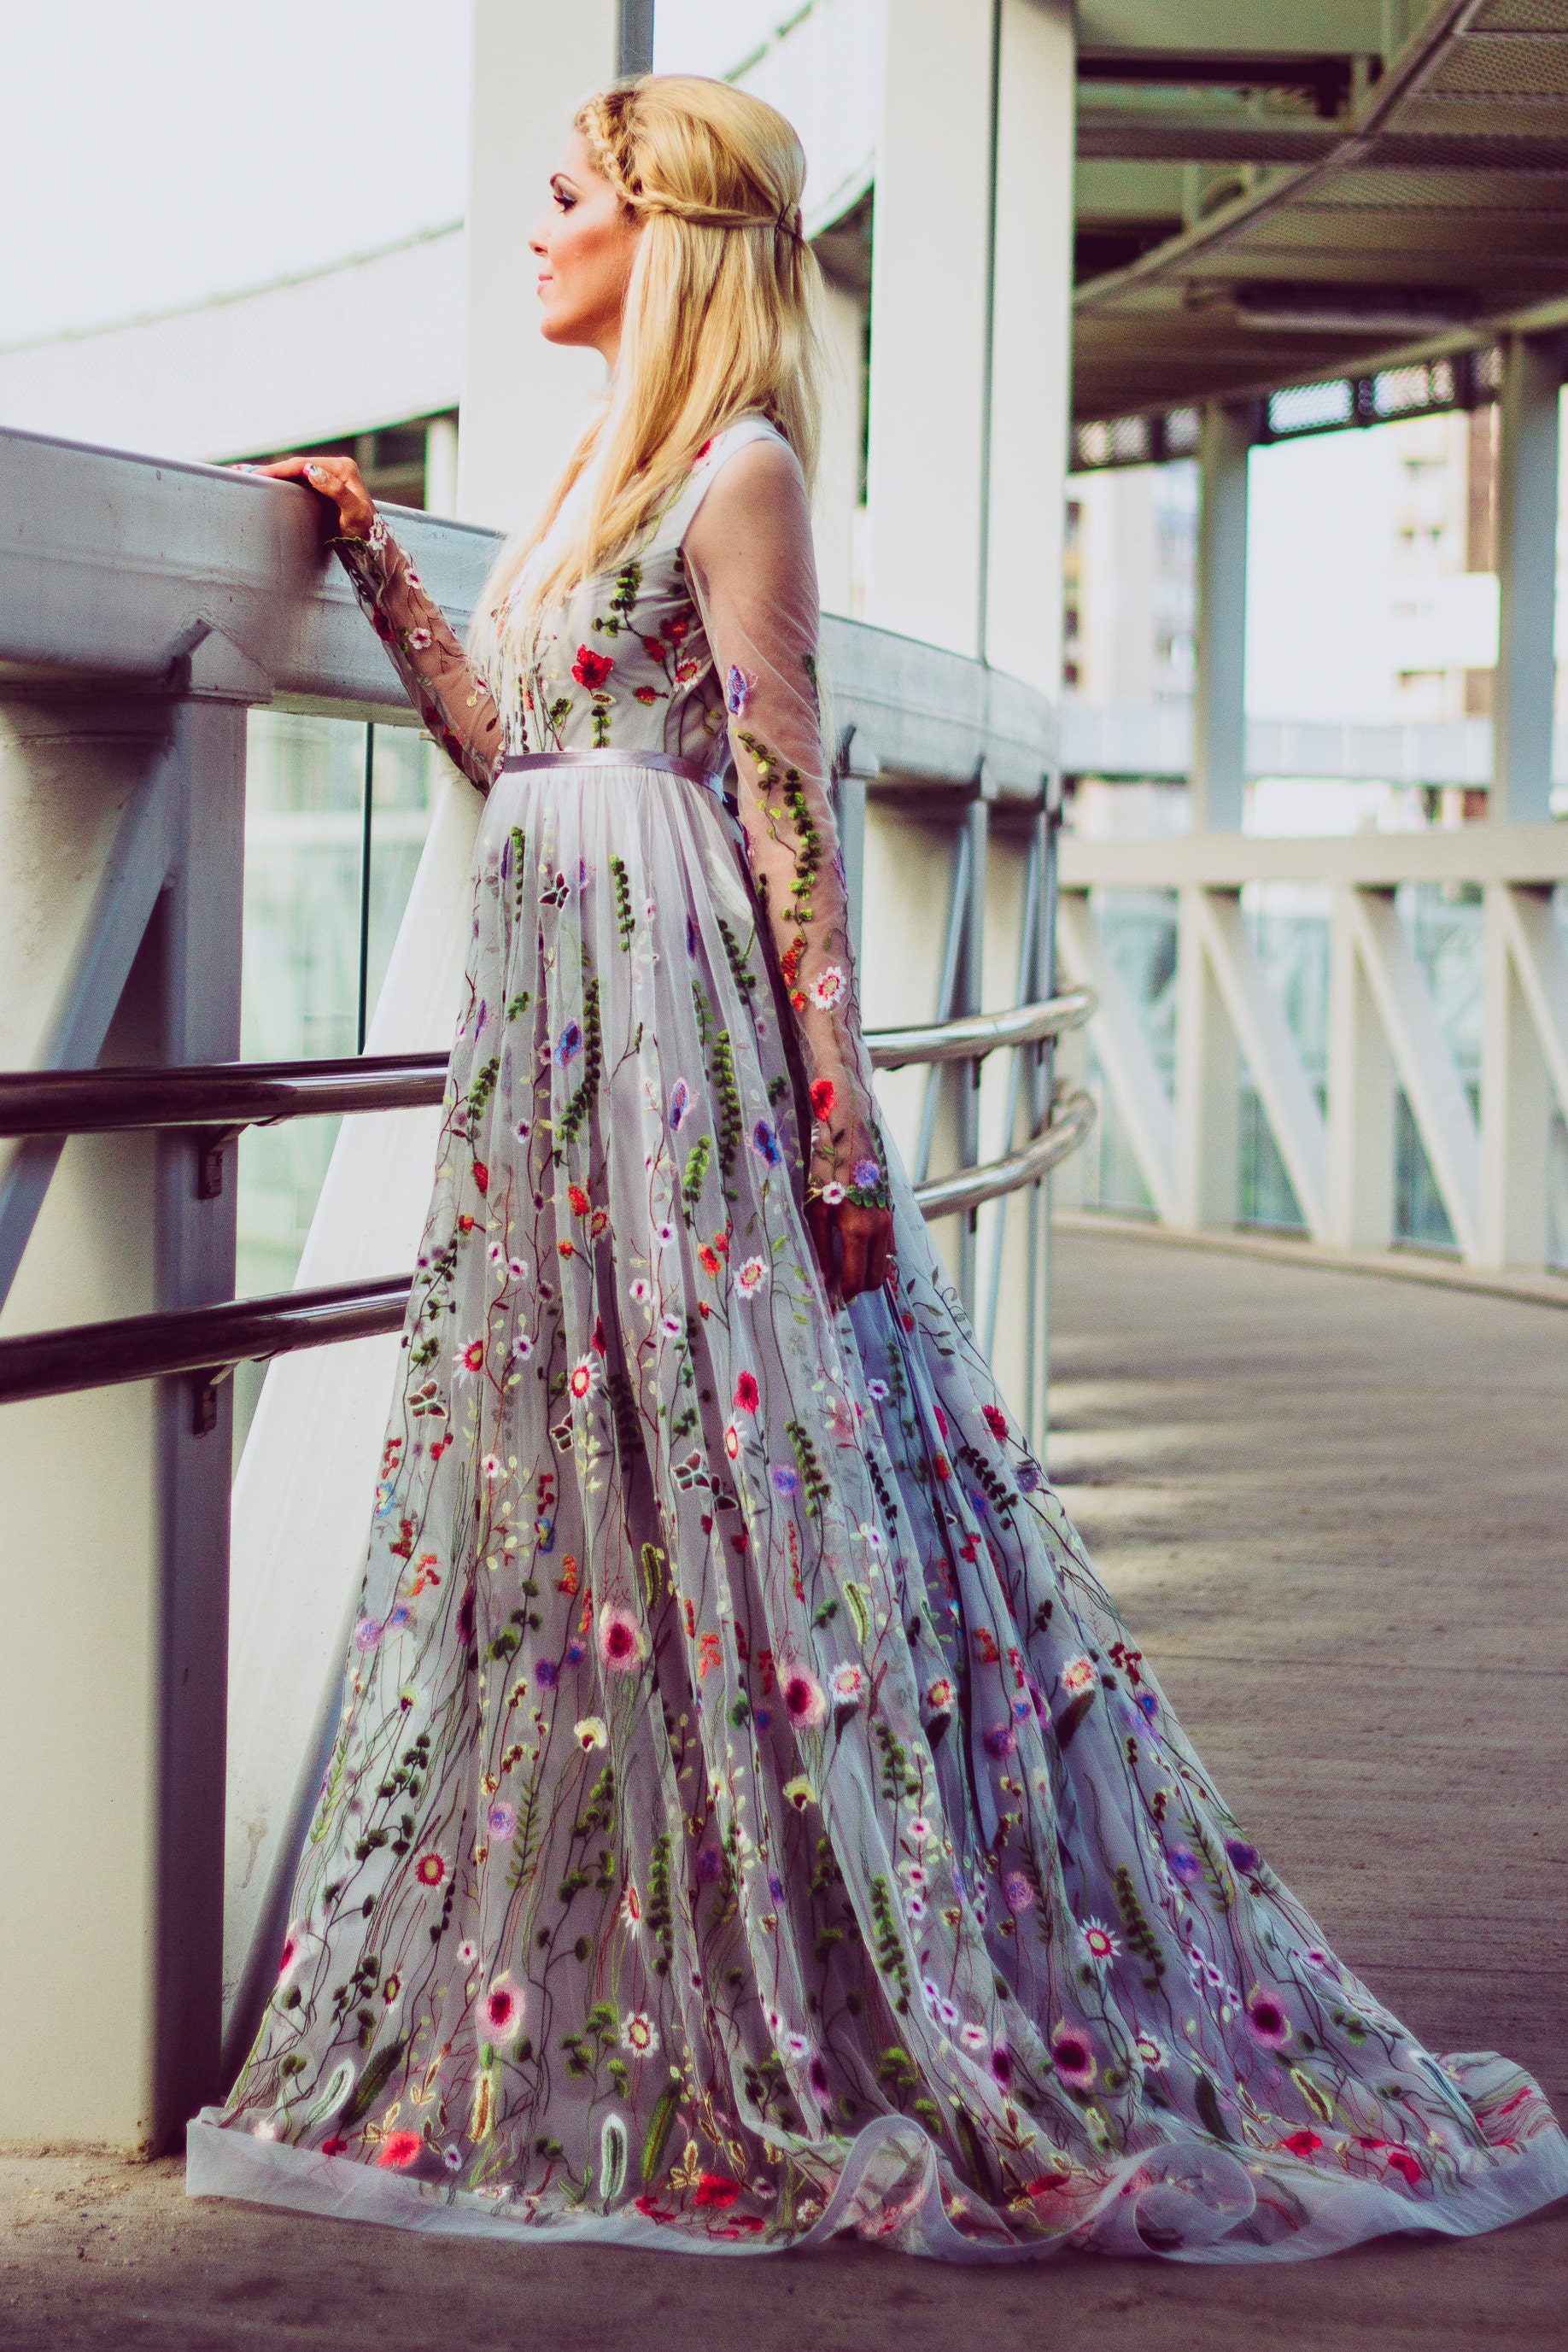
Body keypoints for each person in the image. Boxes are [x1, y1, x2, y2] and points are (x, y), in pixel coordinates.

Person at [188, 75, 1568, 2261]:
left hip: (673, 1079)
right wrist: (372, 559)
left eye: (571, 199)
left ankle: (826, 1980)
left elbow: (783, 821)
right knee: (590, 1508)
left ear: (672, 228)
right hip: (549, 1083)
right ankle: (615, 1959)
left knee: (756, 1511)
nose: (539, 229)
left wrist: (836, 1141)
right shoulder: (593, 472)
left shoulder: (743, 476)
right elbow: (538, 766)